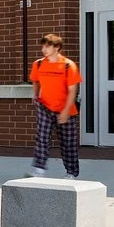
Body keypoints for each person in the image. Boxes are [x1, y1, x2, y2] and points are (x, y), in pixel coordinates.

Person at [26, 33, 82, 180]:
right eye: (42, 46)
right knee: (42, 138)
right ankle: (39, 169)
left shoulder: (68, 65)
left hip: (66, 110)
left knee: (68, 142)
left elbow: (73, 90)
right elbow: (36, 81)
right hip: (45, 106)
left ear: (57, 47)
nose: (43, 49)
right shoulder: (38, 64)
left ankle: (71, 172)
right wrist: (35, 95)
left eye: (47, 46)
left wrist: (65, 111)